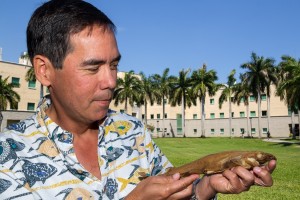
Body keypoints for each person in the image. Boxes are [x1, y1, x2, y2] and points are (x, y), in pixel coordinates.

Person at [0, 0, 276, 199]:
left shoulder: (131, 130)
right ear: (44, 70)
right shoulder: (9, 156)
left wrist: (206, 187)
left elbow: (172, 189)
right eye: (93, 67)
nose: (111, 81)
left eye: (114, 65)